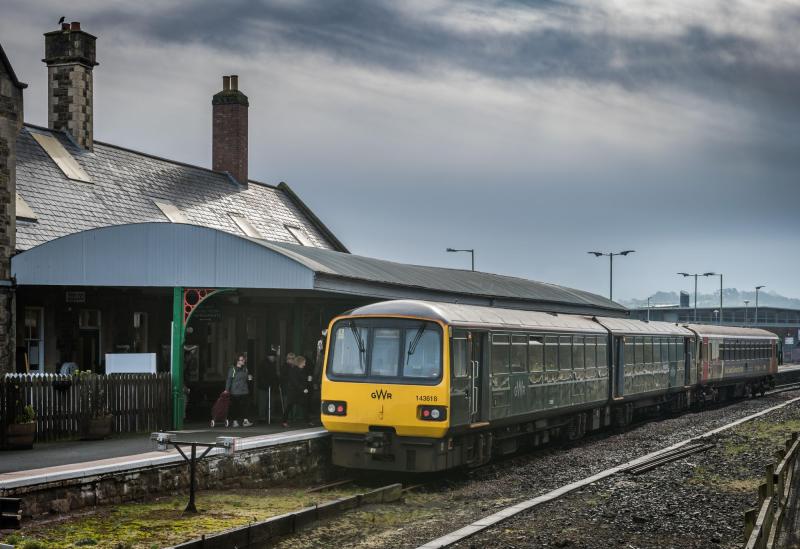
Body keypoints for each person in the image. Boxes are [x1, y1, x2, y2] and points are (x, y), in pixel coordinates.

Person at [225, 353, 253, 428]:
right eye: (242, 360)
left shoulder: (245, 369)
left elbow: (247, 379)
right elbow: (229, 380)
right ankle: (235, 421)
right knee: (235, 407)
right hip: (235, 391)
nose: (243, 361)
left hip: (244, 390)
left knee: (245, 406)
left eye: (244, 359)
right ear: (237, 361)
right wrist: (226, 390)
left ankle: (245, 420)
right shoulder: (233, 369)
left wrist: (249, 378)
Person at [282, 355, 310, 427]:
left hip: (298, 391)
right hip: (293, 392)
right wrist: (303, 389)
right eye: (304, 362)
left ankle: (308, 420)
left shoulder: (301, 370)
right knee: (289, 406)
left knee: (304, 405)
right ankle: (284, 421)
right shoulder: (293, 370)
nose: (305, 364)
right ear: (300, 363)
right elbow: (295, 382)